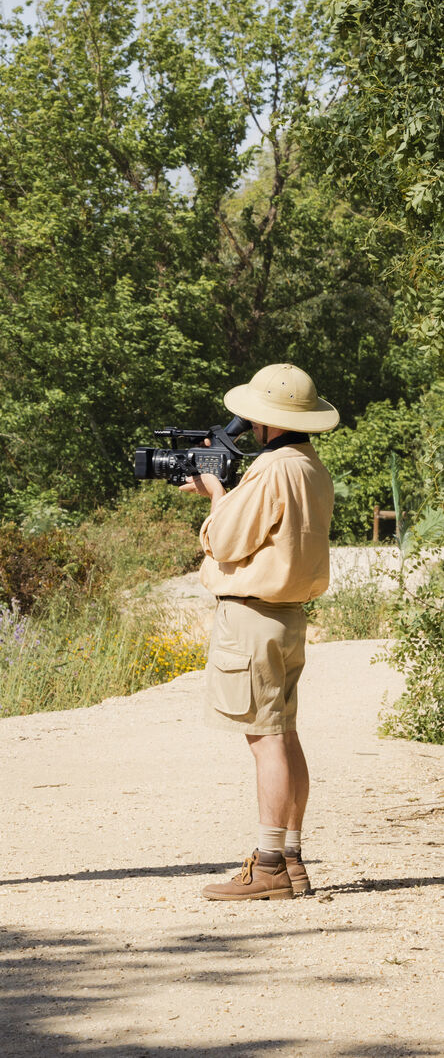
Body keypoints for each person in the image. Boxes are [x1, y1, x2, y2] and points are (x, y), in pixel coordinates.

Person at [179, 364, 338, 901]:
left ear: (267, 420)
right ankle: (290, 857)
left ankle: (268, 865)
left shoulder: (270, 470)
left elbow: (224, 541)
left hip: (252, 615)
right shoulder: (310, 465)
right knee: (285, 733)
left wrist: (215, 492)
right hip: (290, 614)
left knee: (264, 738)